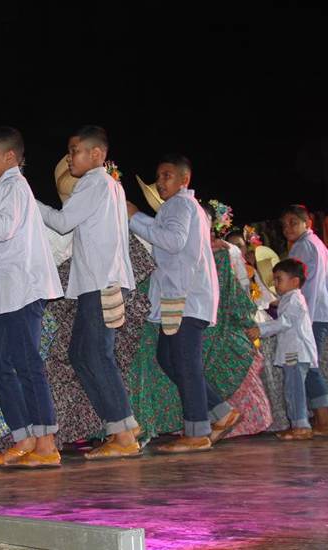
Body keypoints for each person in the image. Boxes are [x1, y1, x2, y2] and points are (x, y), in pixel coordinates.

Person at [38, 126, 141, 460]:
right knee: (82, 354)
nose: (70, 158)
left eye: (74, 150)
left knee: (95, 355)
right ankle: (122, 425)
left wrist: (29, 203)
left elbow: (62, 222)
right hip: (99, 281)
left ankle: (123, 432)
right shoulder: (109, 185)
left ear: (97, 154)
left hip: (100, 281)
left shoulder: (94, 182)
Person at [126, 154, 240, 453]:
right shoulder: (184, 207)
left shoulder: (180, 204)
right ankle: (221, 413)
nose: (160, 182)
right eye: (158, 177)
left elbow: (172, 241)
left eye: (167, 176)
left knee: (184, 363)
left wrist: (135, 217)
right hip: (183, 296)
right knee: (169, 358)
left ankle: (197, 431)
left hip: (185, 297)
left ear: (184, 179)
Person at [0, 127, 63, 468]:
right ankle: (24, 438)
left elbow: (3, 228)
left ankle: (46, 443)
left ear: (10, 157)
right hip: (9, 290)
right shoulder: (6, 188)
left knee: (26, 363)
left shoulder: (14, 185)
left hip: (23, 288)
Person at [281, 204, 328, 435]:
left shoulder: (303, 246)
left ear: (308, 223)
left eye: (293, 223)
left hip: (312, 314)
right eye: (284, 225)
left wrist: (299, 315)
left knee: (306, 365)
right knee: (309, 365)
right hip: (320, 312)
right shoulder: (315, 244)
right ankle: (322, 419)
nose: (288, 228)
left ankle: (324, 420)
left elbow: (303, 287)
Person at [247, 258, 317, 440]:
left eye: (279, 279)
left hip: (295, 352)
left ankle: (301, 425)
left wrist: (260, 329)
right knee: (292, 388)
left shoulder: (294, 299)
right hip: (292, 352)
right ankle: (298, 424)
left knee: (294, 388)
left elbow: (284, 322)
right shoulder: (289, 299)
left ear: (294, 281)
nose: (276, 283)